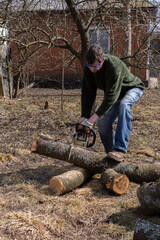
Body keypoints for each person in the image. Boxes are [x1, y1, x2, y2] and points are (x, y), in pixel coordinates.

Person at [79, 44, 145, 162]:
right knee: (102, 122)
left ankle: (120, 150)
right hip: (116, 94)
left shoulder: (114, 66)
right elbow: (87, 92)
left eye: (96, 66)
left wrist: (92, 119)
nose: (92, 69)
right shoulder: (88, 68)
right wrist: (84, 117)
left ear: (102, 60)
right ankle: (111, 154)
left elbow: (110, 97)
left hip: (132, 88)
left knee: (124, 105)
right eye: (89, 66)